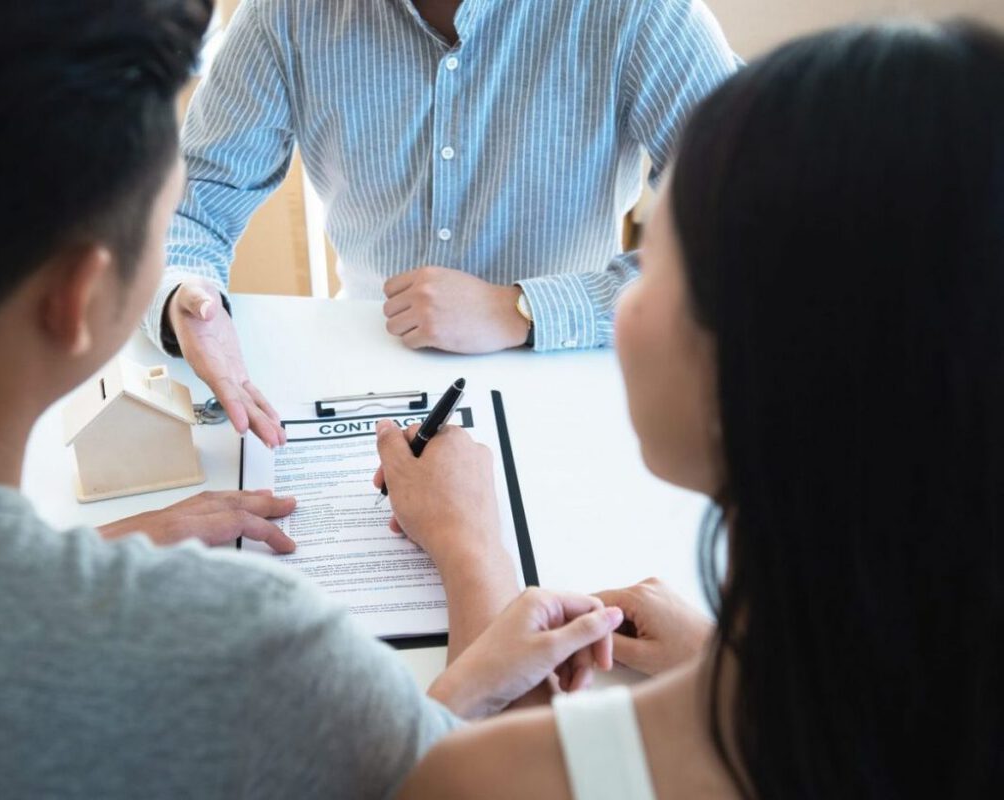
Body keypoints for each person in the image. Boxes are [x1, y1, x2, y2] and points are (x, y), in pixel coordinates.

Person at [0, 1, 626, 796]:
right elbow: (463, 783)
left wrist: (114, 546)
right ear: (81, 294)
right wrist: (471, 547)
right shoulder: (242, 650)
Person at [380, 20, 1004, 798]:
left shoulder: (490, 775)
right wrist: (727, 659)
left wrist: (470, 551)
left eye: (656, 260)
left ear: (756, 363)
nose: (626, 300)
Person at [147, 0, 742, 448]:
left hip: (569, 383)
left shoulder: (645, 13)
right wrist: (182, 296)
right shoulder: (286, 12)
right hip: (363, 378)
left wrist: (523, 309)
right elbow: (192, 204)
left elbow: (745, 239)